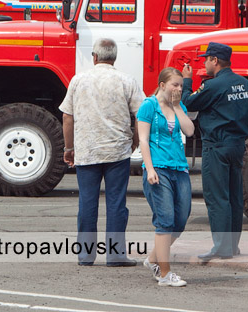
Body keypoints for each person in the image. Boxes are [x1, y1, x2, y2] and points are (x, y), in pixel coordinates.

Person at [59, 37, 143, 266]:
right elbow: (141, 114)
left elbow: (67, 116)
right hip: (117, 151)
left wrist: (69, 148)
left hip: (87, 151)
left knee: (87, 203)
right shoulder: (127, 80)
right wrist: (135, 139)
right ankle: (115, 255)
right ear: (114, 57)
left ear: (94, 57)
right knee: (116, 203)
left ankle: (86, 255)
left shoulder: (78, 81)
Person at [181, 42, 248, 261]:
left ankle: (221, 247)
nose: (205, 63)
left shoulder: (213, 86)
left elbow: (188, 102)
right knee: (234, 196)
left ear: (215, 61)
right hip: (237, 145)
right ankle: (233, 246)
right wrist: (241, 135)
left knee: (217, 198)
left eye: (206, 59)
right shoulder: (244, 84)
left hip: (216, 146)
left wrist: (187, 81)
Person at [137, 67, 195, 288]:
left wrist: (178, 105)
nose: (179, 89)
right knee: (166, 220)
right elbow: (143, 140)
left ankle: (153, 259)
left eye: (181, 85)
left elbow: (189, 131)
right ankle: (164, 273)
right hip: (158, 167)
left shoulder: (178, 106)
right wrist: (149, 169)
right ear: (162, 85)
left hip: (179, 168)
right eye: (175, 85)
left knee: (180, 220)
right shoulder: (148, 106)